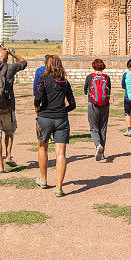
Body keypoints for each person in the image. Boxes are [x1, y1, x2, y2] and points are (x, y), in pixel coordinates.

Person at [34, 55, 76, 196]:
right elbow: (73, 103)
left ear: (48, 65)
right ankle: (59, 187)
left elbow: (38, 97)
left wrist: (37, 108)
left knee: (42, 148)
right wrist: (63, 110)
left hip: (45, 117)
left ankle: (44, 179)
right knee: (61, 154)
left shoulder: (43, 79)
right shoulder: (64, 81)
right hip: (61, 119)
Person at [84, 59, 111, 160]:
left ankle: (97, 145)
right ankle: (102, 152)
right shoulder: (107, 77)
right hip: (105, 105)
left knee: (94, 127)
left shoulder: (90, 77)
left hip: (93, 105)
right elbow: (109, 91)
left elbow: (85, 91)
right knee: (103, 128)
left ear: (93, 66)